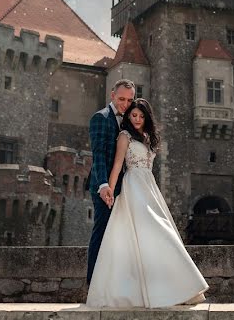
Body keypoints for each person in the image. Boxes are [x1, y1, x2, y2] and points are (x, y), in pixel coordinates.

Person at [86, 98, 209, 308]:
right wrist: (110, 192)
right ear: (128, 116)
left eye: (141, 116)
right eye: (133, 115)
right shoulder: (124, 136)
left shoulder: (148, 137)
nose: (136, 119)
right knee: (149, 233)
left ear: (147, 118)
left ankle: (176, 290)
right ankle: (139, 294)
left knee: (160, 235)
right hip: (132, 186)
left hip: (149, 186)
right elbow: (116, 166)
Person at [86, 79, 136, 285]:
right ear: (112, 96)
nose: (125, 104)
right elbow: (98, 155)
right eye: (122, 99)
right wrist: (103, 185)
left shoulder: (131, 121)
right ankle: (93, 284)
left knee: (121, 236)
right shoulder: (101, 117)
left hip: (125, 188)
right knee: (102, 232)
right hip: (104, 187)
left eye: (130, 100)